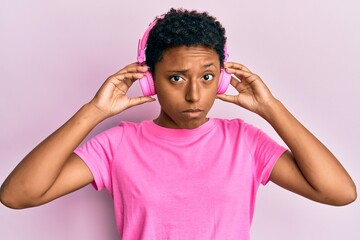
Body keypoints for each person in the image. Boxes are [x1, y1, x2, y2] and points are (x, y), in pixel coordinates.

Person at [0, 8, 356, 240]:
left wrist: (271, 108)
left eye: (207, 77)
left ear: (221, 79)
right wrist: (93, 112)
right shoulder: (118, 144)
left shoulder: (244, 141)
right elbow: (17, 195)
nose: (194, 96)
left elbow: (339, 193)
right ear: (150, 79)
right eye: (176, 78)